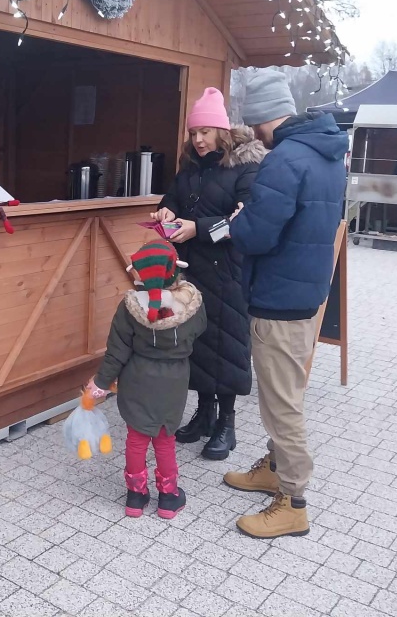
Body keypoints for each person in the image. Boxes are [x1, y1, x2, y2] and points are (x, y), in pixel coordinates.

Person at [220, 69, 346, 539]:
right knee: (284, 390)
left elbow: (258, 235)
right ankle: (274, 466)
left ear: (259, 122)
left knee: (281, 403)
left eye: (251, 124)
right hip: (306, 291)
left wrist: (238, 222)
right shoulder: (327, 152)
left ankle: (292, 499)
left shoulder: (283, 159)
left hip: (277, 297)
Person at [149, 87, 266, 461]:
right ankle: (204, 412)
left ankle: (226, 424)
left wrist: (195, 229)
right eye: (193, 133)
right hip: (190, 271)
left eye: (205, 132)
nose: (198, 140)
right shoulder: (190, 167)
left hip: (228, 271)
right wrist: (165, 211)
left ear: (222, 130)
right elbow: (174, 199)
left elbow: (242, 222)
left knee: (226, 345)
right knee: (197, 344)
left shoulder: (246, 167)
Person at [85, 240, 207, 519]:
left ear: (139, 273)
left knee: (136, 438)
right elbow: (200, 330)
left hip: (137, 378)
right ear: (175, 270)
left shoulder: (129, 307)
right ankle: (168, 498)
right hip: (174, 380)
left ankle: (136, 497)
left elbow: (117, 351)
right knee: (165, 439)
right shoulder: (192, 305)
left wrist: (101, 383)